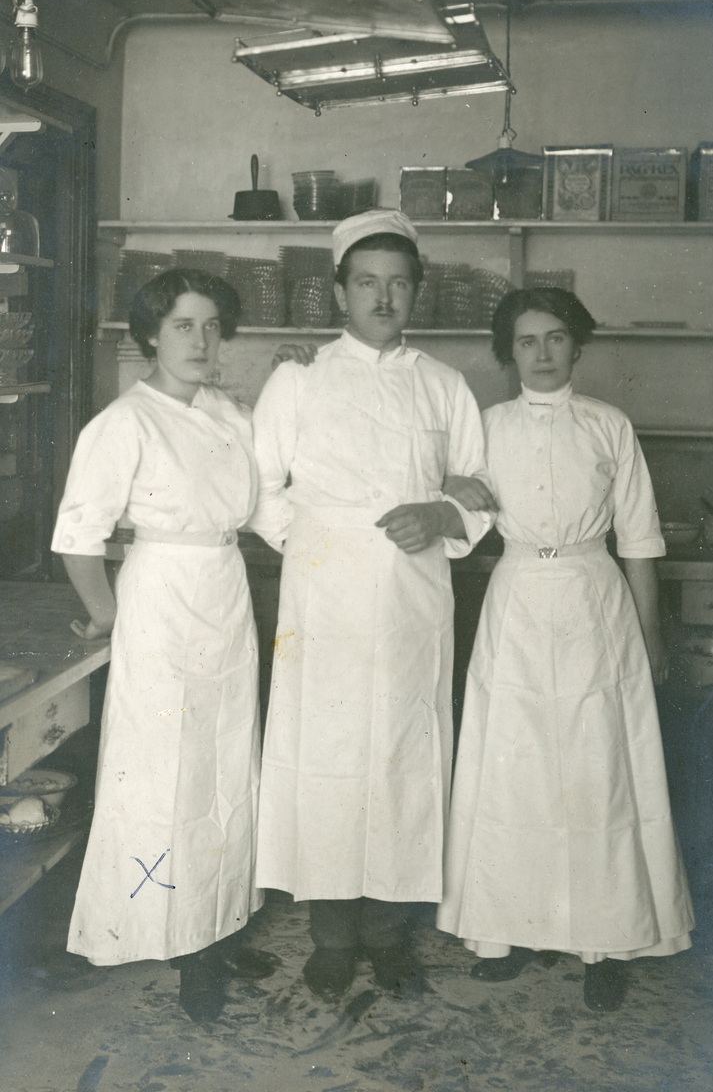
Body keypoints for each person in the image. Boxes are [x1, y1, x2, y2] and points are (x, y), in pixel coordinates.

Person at [250, 209, 496, 1000]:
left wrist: (441, 515)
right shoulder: (298, 378)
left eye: (397, 284)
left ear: (417, 292)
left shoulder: (444, 385)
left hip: (411, 602)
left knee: (402, 761)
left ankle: (388, 937)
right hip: (322, 600)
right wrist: (314, 543)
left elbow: (479, 488)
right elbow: (260, 484)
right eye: (366, 283)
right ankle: (330, 939)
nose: (383, 298)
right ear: (339, 293)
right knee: (325, 762)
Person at [437, 286, 694, 1013]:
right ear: (508, 352)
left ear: (576, 345)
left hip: (593, 600)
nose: (542, 353)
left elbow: (639, 540)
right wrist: (444, 482)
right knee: (513, 768)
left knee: (595, 771)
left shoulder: (608, 425)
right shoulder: (485, 428)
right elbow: (459, 520)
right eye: (526, 340)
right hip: (517, 597)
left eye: (555, 337)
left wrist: (650, 636)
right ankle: (506, 931)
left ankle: (604, 943)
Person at [52, 269, 270, 1023]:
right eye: (183, 325)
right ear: (149, 334)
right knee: (164, 778)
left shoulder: (230, 414)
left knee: (225, 767)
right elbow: (77, 540)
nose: (201, 341)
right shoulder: (123, 423)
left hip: (226, 592)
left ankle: (219, 924)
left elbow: (272, 496)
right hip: (162, 599)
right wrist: (110, 618)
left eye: (211, 326)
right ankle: (181, 948)